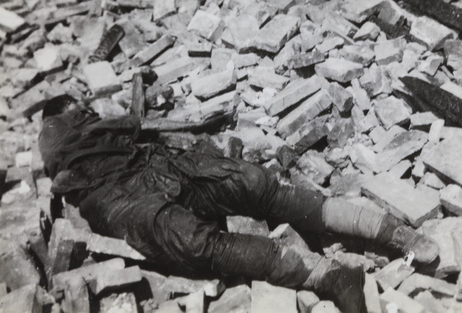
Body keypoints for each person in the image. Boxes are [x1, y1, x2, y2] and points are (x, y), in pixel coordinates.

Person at [39, 95, 439, 313]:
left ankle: (393, 231)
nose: (84, 106)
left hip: (153, 163)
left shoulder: (93, 115)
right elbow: (71, 152)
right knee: (193, 244)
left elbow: (131, 123)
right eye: (76, 106)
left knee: (253, 183)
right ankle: (329, 276)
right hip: (117, 195)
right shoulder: (53, 129)